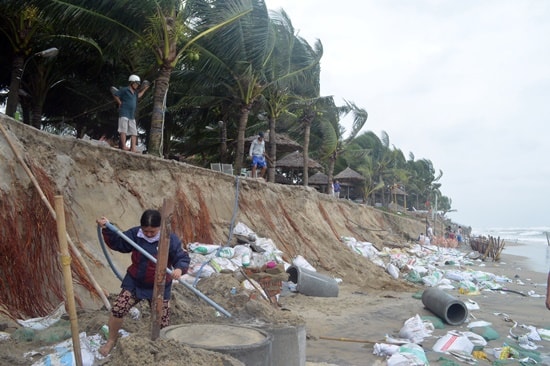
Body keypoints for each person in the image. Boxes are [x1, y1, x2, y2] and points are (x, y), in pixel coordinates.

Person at [96, 209, 190, 356]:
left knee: (163, 322)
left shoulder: (169, 239)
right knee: (118, 308)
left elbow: (182, 257)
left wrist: (179, 269)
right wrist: (107, 229)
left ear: (160, 227)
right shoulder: (136, 234)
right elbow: (119, 243)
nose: (149, 234)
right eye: (146, 231)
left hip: (160, 285)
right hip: (135, 282)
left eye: (153, 231)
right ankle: (111, 341)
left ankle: (161, 348)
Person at [112, 74, 150, 152]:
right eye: (136, 84)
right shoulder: (125, 89)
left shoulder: (135, 93)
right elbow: (116, 95)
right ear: (132, 82)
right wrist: (120, 103)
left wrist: (144, 89)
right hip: (124, 113)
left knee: (134, 132)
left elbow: (139, 96)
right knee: (123, 130)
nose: (137, 85)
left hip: (131, 115)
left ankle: (133, 148)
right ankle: (124, 147)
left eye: (138, 84)